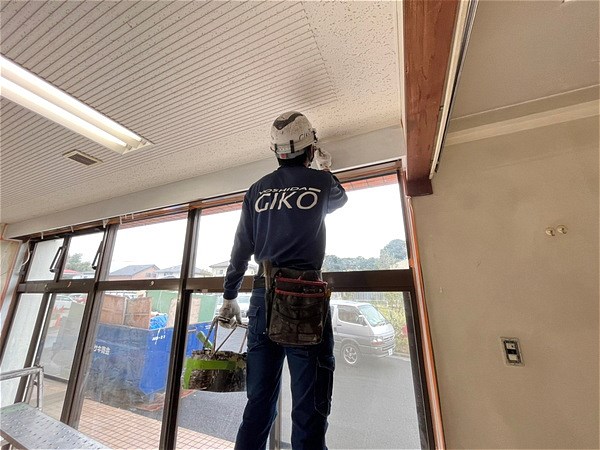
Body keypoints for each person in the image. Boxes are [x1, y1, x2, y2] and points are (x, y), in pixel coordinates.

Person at [219, 111, 348, 450]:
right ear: (311, 148)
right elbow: (340, 200)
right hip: (304, 298)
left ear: (275, 152)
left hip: (262, 297)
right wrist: (324, 169)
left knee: (259, 401)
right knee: (309, 406)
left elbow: (241, 246)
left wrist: (229, 295)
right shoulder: (321, 183)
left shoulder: (257, 190)